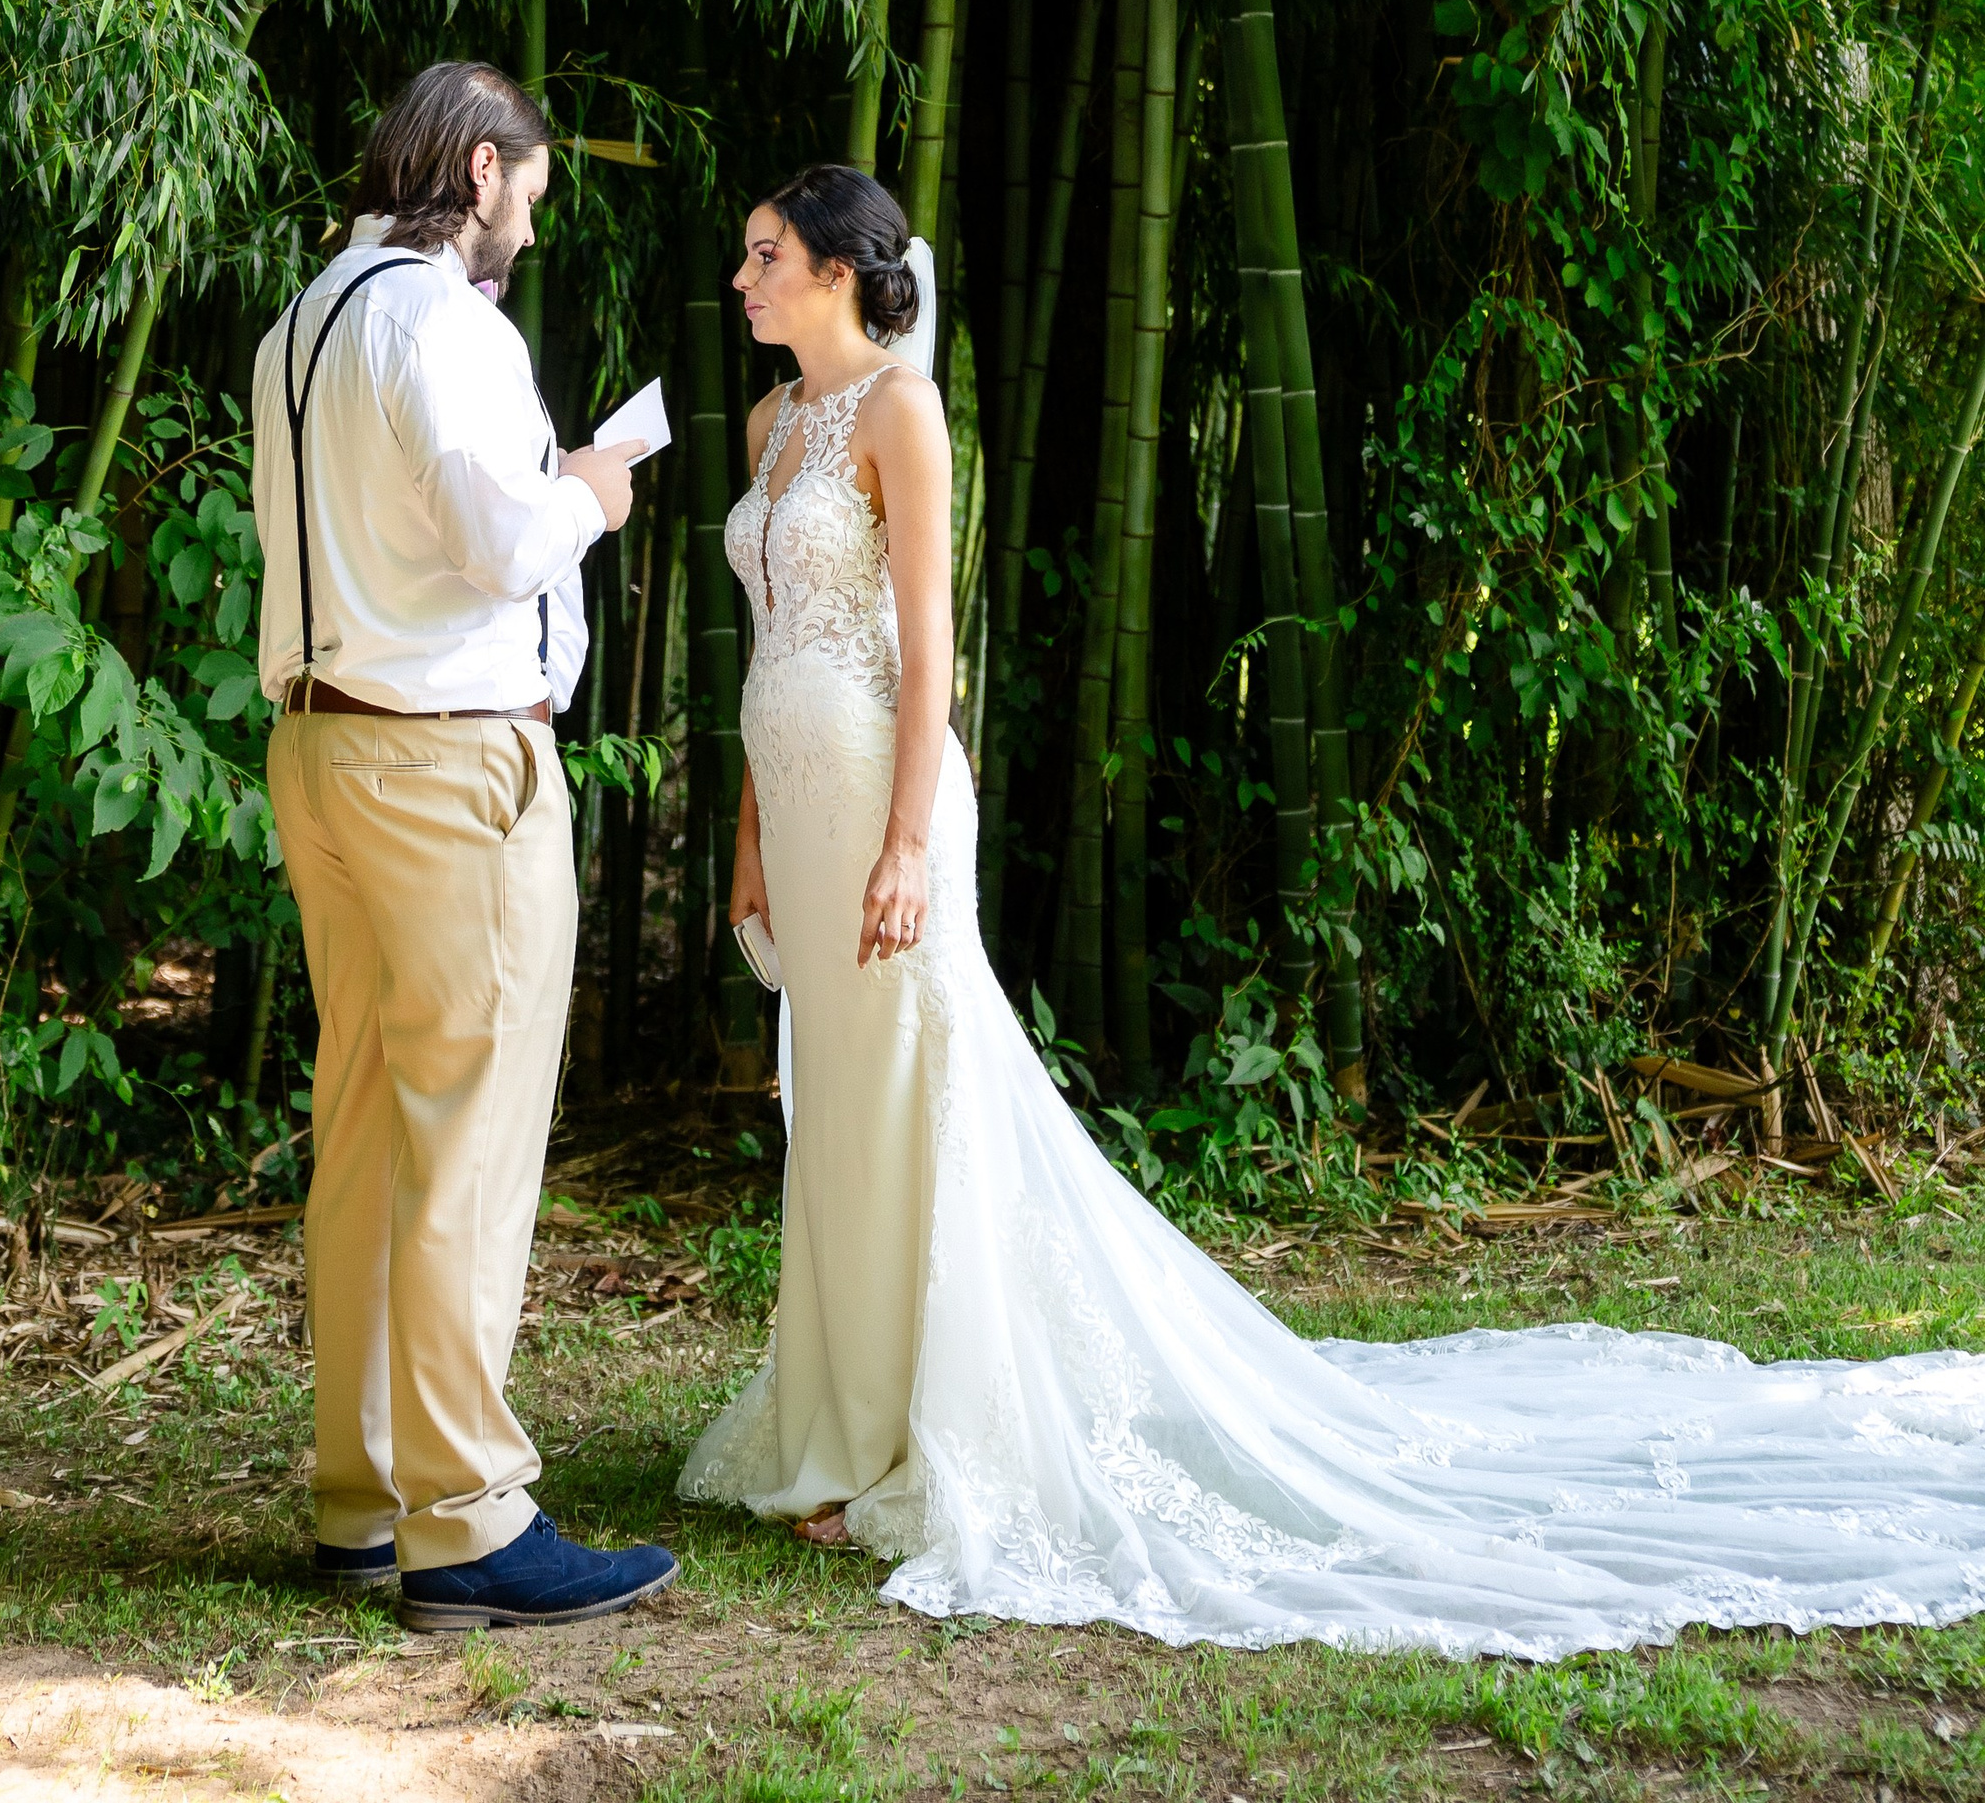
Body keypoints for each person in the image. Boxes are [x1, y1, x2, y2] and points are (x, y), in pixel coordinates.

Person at [680, 160, 1985, 1654]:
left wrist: (910, 838)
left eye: (764, 253)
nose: (742, 276)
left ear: (839, 271)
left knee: (921, 1095)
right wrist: (753, 834)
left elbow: (931, 652)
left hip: (887, 793)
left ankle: (920, 1429)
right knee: (838, 1104)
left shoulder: (901, 415)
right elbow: (769, 643)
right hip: (798, 782)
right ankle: (835, 1410)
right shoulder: (779, 426)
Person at [256, 59, 675, 1634]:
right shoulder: (440, 318)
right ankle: (469, 1519)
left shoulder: (302, 317)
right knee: (472, 1134)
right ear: (482, 170)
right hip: (442, 764)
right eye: (530, 199)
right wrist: (589, 489)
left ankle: (363, 1491)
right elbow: (503, 543)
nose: (525, 234)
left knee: (368, 1116)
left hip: (321, 744)